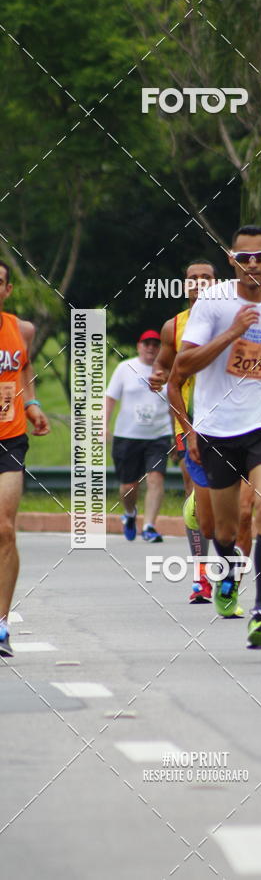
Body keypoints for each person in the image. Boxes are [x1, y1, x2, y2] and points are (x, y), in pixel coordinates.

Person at [168, 224, 261, 648]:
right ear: (232, 260)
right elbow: (184, 366)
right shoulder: (212, 303)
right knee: (222, 532)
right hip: (217, 429)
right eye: (244, 258)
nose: (253, 265)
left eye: (260, 257)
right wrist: (230, 332)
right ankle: (226, 575)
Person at [149, 258, 255, 605]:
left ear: (217, 282)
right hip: (191, 426)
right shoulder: (174, 327)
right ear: (184, 285)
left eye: (206, 277)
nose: (198, 283)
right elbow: (164, 369)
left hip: (238, 424)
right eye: (192, 278)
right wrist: (157, 376)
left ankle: (229, 578)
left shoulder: (235, 321)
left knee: (239, 509)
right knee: (203, 510)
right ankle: (200, 578)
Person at [0, 261, 50, 656]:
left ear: (7, 289)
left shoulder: (21, 329)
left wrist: (31, 402)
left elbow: (25, 365)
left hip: (9, 438)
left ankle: (1, 622)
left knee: (5, 530)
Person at [105, 329, 172, 542]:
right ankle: (130, 513)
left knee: (155, 478)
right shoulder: (125, 368)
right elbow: (110, 398)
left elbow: (174, 404)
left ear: (160, 348)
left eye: (155, 344)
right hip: (128, 435)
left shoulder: (168, 372)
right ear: (139, 346)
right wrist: (103, 425)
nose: (151, 348)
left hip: (159, 435)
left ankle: (150, 526)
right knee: (128, 486)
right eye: (147, 344)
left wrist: (178, 434)